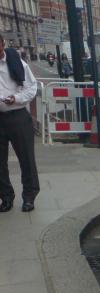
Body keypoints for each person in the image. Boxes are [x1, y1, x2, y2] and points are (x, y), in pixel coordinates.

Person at [0, 33, 39, 212]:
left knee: (26, 159)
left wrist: (15, 98)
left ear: (2, 45)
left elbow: (32, 87)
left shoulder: (17, 62)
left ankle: (29, 196)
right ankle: (6, 197)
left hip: (17, 116)